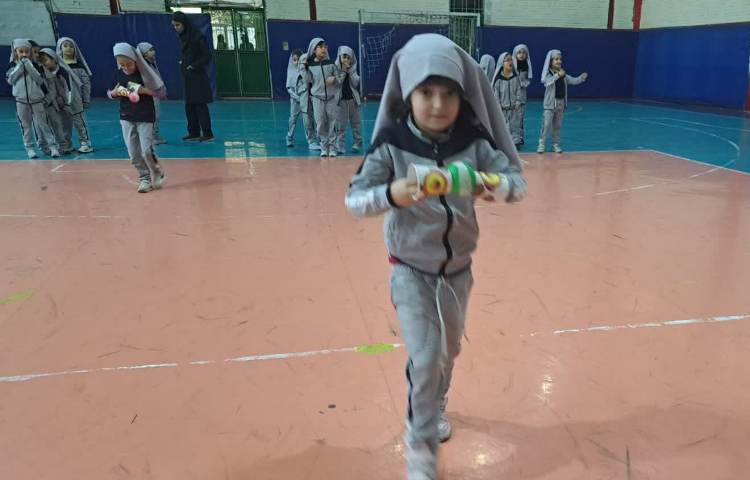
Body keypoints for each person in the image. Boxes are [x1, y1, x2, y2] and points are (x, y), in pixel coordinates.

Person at [345, 34, 526, 480]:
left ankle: (436, 400)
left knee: (448, 351)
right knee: (425, 358)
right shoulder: (391, 143)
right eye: (426, 92)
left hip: (458, 271)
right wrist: (393, 193)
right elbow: (355, 200)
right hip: (409, 270)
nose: (438, 104)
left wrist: (486, 183)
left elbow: (516, 185)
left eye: (449, 93)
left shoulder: (473, 141)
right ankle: (421, 453)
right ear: (408, 92)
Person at [107, 42, 167, 193]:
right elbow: (110, 93)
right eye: (122, 65)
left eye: (129, 64)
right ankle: (144, 178)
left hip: (145, 117)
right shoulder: (118, 74)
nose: (126, 68)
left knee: (146, 151)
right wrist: (114, 93)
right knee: (133, 154)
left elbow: (161, 93)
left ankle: (157, 170)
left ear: (135, 60)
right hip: (126, 117)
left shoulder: (145, 73)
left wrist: (144, 90)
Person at [6, 39, 59, 159]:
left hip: (36, 100)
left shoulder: (36, 66)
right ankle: (30, 148)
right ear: (16, 52)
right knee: (26, 125)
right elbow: (10, 80)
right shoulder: (12, 66)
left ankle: (52, 146)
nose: (24, 54)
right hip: (21, 101)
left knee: (44, 124)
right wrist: (20, 67)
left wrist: (29, 67)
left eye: (27, 51)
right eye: (21, 52)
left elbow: (40, 80)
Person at [172, 11, 214, 142]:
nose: (176, 28)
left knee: (200, 104)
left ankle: (207, 133)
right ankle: (193, 132)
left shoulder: (198, 36)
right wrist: (184, 63)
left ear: (184, 23)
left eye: (178, 25)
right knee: (189, 105)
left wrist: (193, 65)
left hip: (198, 75)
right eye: (174, 25)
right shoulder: (183, 37)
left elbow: (206, 56)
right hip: (188, 76)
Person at [538, 49, 588, 154]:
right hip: (549, 104)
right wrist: (557, 75)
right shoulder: (548, 73)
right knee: (546, 125)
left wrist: (581, 78)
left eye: (560, 59)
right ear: (551, 61)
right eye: (556, 59)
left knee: (557, 125)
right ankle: (542, 144)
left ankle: (555, 144)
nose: (559, 61)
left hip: (561, 104)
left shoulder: (563, 74)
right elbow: (547, 82)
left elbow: (572, 80)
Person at [56, 37, 93, 153]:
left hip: (76, 100)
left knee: (80, 123)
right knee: (63, 124)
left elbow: (86, 85)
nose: (68, 48)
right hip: (62, 101)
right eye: (65, 46)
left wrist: (85, 99)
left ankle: (85, 143)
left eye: (71, 46)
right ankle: (66, 145)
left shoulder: (79, 67)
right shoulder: (57, 66)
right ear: (60, 48)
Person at [306, 37, 340, 157]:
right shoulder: (310, 66)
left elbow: (339, 78)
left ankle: (332, 147)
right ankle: (324, 147)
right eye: (320, 47)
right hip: (317, 99)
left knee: (332, 123)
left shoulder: (331, 63)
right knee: (320, 123)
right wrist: (303, 68)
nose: (323, 49)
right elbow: (307, 80)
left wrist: (334, 79)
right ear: (314, 50)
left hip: (331, 98)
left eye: (325, 46)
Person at [334, 46, 362, 154]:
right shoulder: (335, 69)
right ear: (340, 57)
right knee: (341, 125)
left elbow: (356, 83)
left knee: (356, 124)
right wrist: (343, 71)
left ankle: (357, 143)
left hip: (353, 101)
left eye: (348, 58)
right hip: (341, 102)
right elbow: (337, 83)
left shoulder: (353, 70)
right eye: (344, 57)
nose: (346, 60)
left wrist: (350, 72)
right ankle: (340, 146)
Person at [137, 42, 167, 144]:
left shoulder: (152, 62)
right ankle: (150, 137)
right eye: (150, 50)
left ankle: (154, 136)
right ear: (144, 53)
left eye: (153, 49)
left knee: (156, 115)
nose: (153, 52)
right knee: (152, 116)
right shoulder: (141, 65)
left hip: (155, 93)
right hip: (148, 94)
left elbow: (157, 77)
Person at [492, 52, 523, 147]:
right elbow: (496, 95)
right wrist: (498, 106)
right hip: (503, 109)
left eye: (511, 60)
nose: (510, 62)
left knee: (515, 126)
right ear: (502, 63)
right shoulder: (498, 80)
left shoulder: (515, 78)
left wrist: (518, 101)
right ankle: (502, 143)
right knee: (503, 127)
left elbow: (518, 91)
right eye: (507, 60)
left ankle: (516, 142)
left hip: (514, 109)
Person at [512, 44, 532, 145]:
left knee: (520, 118)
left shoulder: (527, 66)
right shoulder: (511, 66)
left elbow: (528, 79)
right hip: (512, 96)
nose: (521, 55)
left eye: (524, 53)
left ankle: (519, 138)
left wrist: (524, 83)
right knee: (511, 118)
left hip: (522, 96)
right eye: (519, 52)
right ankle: (511, 137)